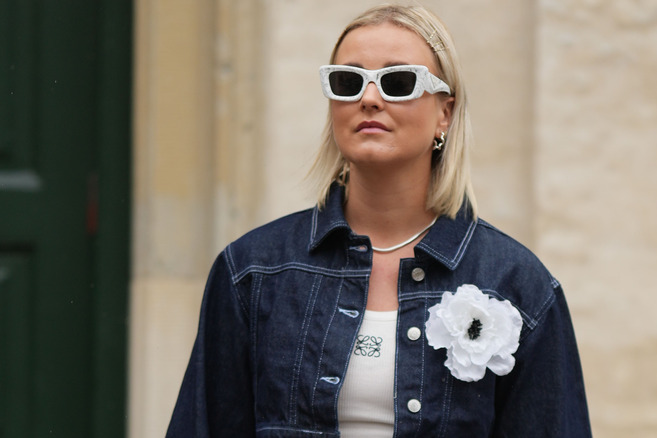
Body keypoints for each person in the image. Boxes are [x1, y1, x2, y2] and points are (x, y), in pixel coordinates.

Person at [167, 4, 591, 437]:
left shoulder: (517, 285)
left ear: (444, 112)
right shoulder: (253, 273)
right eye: (348, 82)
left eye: (399, 81)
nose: (369, 98)